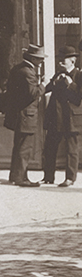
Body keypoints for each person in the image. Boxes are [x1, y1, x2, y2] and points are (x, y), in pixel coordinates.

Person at [3, 43, 45, 187]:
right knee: (25, 148)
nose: (41, 62)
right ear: (32, 59)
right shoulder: (28, 72)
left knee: (19, 146)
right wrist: (43, 85)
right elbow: (33, 93)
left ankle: (15, 175)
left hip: (19, 114)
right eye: (39, 59)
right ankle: (21, 178)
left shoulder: (18, 68)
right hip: (27, 115)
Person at [41, 45, 82, 187]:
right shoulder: (58, 74)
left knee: (71, 149)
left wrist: (70, 84)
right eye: (59, 60)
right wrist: (50, 82)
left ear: (72, 61)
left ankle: (70, 178)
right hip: (55, 117)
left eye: (63, 60)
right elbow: (47, 90)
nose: (60, 63)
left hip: (71, 117)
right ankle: (48, 177)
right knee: (50, 146)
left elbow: (78, 98)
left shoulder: (79, 75)